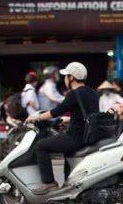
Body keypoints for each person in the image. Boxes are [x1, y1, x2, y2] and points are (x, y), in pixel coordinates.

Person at [24, 62, 99, 195]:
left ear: (71, 78)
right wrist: (70, 119)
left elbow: (56, 111)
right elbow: (90, 116)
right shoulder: (93, 93)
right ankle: (69, 183)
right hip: (88, 136)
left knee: (41, 146)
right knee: (66, 150)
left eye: (66, 76)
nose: (64, 79)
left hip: (76, 137)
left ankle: (49, 183)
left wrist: (36, 118)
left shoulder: (73, 94)